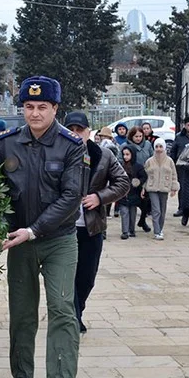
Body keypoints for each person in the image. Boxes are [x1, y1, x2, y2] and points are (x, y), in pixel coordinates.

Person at [0, 75, 86, 378]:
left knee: (62, 308)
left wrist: (33, 230)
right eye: (29, 107)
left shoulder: (71, 145)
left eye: (42, 107)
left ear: (55, 108)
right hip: (19, 242)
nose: (35, 114)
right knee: (21, 311)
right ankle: (22, 374)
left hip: (58, 239)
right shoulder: (7, 144)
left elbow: (71, 196)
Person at [64, 111, 128, 334]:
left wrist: (99, 197)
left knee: (87, 276)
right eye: (70, 129)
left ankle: (78, 308)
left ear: (88, 132)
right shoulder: (54, 154)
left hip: (91, 226)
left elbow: (122, 182)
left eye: (79, 130)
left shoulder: (103, 155)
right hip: (62, 228)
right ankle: (73, 317)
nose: (75, 134)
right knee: (65, 275)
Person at [142, 140, 179, 240]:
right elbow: (145, 175)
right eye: (157, 146)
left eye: (160, 146)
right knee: (156, 210)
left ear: (164, 147)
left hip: (164, 188)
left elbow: (174, 175)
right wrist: (143, 187)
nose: (158, 149)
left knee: (162, 210)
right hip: (152, 188)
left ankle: (160, 229)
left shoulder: (169, 161)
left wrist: (174, 188)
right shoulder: (149, 161)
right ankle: (157, 231)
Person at [127, 126, 153, 233]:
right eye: (136, 136)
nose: (138, 138)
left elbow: (152, 157)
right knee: (132, 203)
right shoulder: (126, 146)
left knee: (146, 203)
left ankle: (142, 221)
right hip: (133, 178)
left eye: (140, 136)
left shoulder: (147, 145)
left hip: (145, 177)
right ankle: (129, 226)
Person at [171, 115, 189, 217]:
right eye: (188, 125)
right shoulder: (179, 137)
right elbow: (174, 150)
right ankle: (181, 208)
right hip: (182, 165)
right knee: (182, 187)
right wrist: (172, 163)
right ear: (185, 126)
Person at [118, 145, 147, 240]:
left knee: (132, 213)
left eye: (127, 154)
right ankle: (125, 231)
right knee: (124, 212)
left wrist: (138, 182)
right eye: (124, 154)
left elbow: (144, 176)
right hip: (123, 193)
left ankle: (132, 230)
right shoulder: (120, 166)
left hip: (134, 193)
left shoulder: (138, 166)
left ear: (132, 155)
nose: (125, 156)